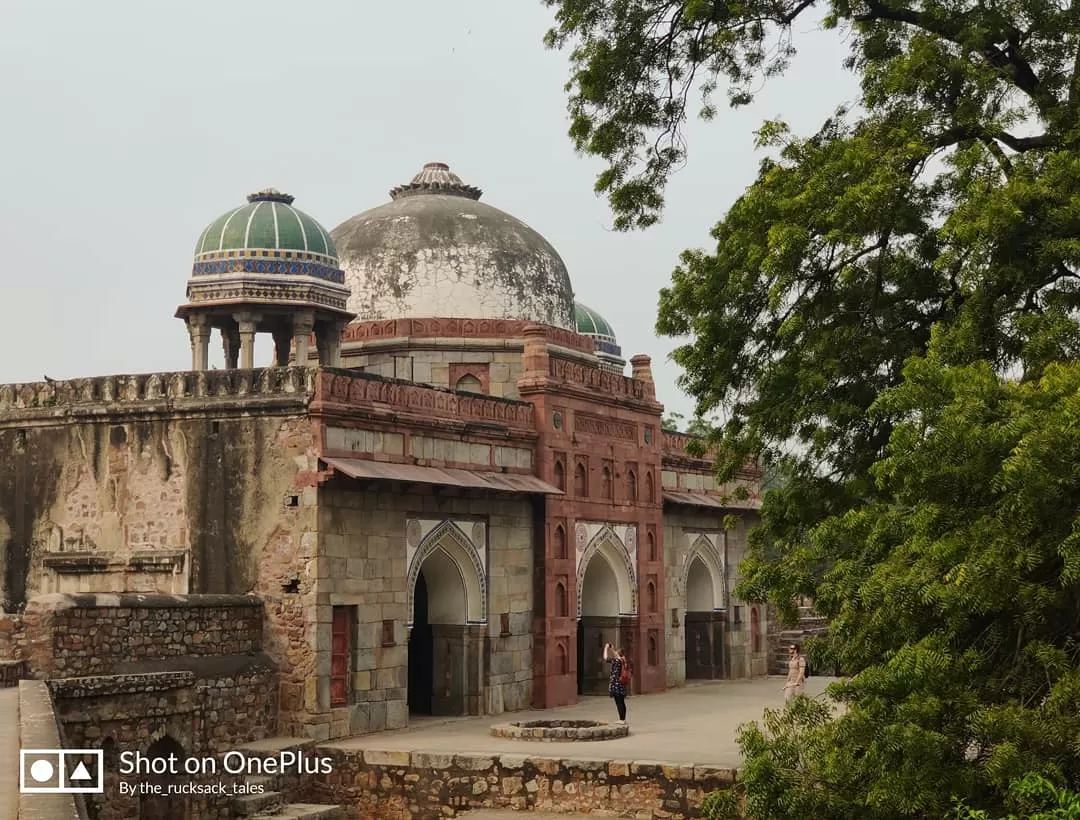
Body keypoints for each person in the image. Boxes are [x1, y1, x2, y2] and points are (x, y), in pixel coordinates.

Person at [603, 642, 629, 724]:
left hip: (616, 684)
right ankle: (623, 719)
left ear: (618, 653)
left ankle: (621, 720)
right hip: (621, 684)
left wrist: (606, 648)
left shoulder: (616, 661)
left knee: (618, 702)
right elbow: (617, 655)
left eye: (617, 652)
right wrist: (613, 649)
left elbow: (605, 658)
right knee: (622, 701)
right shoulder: (623, 660)